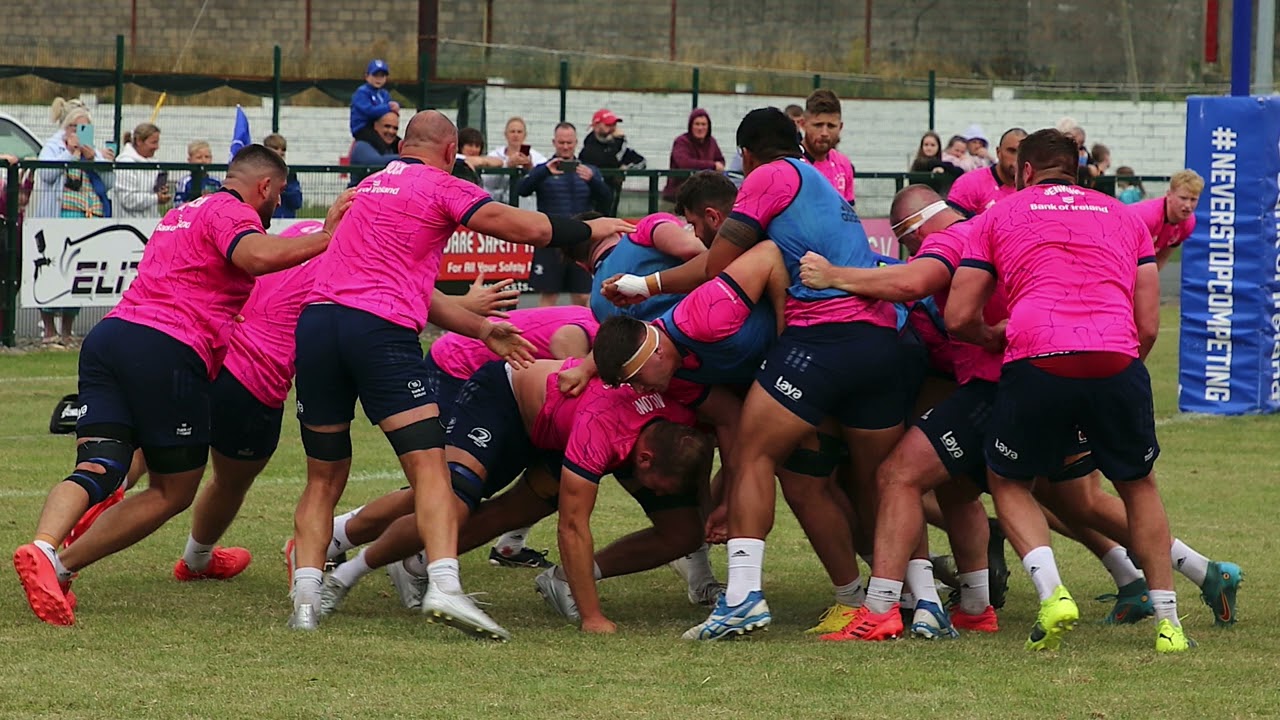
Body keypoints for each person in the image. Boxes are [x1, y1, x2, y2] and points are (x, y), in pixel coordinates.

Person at [288, 110, 633, 638]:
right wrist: (592, 226)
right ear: (451, 153)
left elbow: (408, 287)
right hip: (378, 332)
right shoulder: (440, 184)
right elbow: (529, 227)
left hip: (316, 326)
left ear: (403, 144)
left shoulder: (368, 185)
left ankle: (306, 601)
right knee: (431, 468)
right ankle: (444, 584)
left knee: (322, 477)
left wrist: (479, 327)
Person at [12, 145, 351, 627]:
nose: (277, 208)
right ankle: (64, 566)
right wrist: (325, 236)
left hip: (110, 336)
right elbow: (253, 257)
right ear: (265, 187)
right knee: (174, 489)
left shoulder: (181, 212)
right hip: (167, 347)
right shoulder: (229, 210)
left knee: (104, 463)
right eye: (278, 196)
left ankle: (43, 549)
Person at [606, 108, 905, 641]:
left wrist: (641, 285)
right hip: (880, 339)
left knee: (754, 452)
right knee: (869, 481)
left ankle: (744, 597)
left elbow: (721, 265)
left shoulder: (768, 180)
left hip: (828, 339)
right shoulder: (821, 182)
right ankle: (910, 600)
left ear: (745, 154)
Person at [945, 128, 1191, 653]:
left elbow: (959, 315)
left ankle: (1053, 592)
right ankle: (1169, 622)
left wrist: (992, 338)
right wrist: (1115, 366)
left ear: (1024, 171)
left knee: (1009, 480)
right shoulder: (1125, 217)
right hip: (1116, 358)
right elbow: (1147, 324)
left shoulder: (998, 214)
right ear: (1077, 169)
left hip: (1037, 358)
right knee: (1138, 485)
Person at [35, 99, 115, 349]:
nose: (81, 134)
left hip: (88, 217)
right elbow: (46, 174)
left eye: (85, 128)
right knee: (52, 271)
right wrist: (69, 152)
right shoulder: (53, 147)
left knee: (78, 273)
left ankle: (68, 330)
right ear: (67, 129)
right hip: (59, 218)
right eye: (77, 128)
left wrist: (94, 159)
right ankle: (49, 331)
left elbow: (109, 182)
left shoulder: (94, 151)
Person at [516, 122, 610, 308]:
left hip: (581, 240)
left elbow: (607, 199)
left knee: (583, 296)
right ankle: (544, 335)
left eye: (569, 142)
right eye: (561, 143)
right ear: (554, 142)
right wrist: (543, 172)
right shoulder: (543, 169)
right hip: (551, 239)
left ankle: (583, 333)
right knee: (549, 297)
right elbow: (522, 189)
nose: (565, 147)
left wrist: (593, 181)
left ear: (576, 142)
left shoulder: (589, 171)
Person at [1131, 169, 1203, 269]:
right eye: (1183, 198)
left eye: (1193, 199)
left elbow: (1160, 260)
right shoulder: (1148, 217)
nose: (1188, 205)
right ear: (1169, 195)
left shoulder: (1188, 223)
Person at [579, 109, 647, 215]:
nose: (612, 128)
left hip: (612, 200)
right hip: (592, 202)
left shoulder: (616, 145)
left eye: (614, 124)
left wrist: (625, 169)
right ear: (596, 126)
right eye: (608, 124)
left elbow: (641, 162)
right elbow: (608, 160)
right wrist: (620, 140)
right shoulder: (589, 146)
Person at [946, 128, 1026, 216]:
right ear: (998, 152)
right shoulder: (969, 183)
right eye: (1011, 151)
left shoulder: (1033, 189)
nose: (1017, 158)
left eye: (1023, 153)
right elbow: (950, 226)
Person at [661, 109, 725, 208]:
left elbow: (721, 161)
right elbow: (685, 163)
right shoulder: (681, 141)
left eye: (703, 124)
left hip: (702, 201)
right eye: (697, 124)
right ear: (691, 126)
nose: (700, 128)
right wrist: (712, 165)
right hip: (676, 200)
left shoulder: (712, 142)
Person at [801, 89, 855, 204]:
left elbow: (850, 215)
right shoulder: (790, 164)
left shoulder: (844, 164)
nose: (824, 133)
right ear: (803, 124)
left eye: (831, 126)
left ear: (840, 127)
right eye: (818, 125)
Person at [483, 116, 546, 206]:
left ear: (525, 135)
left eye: (519, 132)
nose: (516, 135)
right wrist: (506, 165)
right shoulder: (494, 156)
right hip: (498, 205)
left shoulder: (538, 158)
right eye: (512, 131)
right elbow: (487, 184)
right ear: (505, 134)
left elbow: (543, 185)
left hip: (526, 208)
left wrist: (530, 169)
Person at [115, 123, 170, 218]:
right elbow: (127, 199)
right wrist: (156, 198)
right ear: (139, 141)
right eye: (153, 142)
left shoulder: (152, 162)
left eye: (157, 142)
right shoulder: (125, 162)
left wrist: (160, 191)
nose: (157, 147)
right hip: (129, 223)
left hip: (149, 222)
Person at [350, 59, 400, 146]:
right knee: (381, 145)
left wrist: (395, 107)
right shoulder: (362, 92)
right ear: (367, 76)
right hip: (362, 128)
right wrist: (389, 107)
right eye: (375, 75)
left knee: (399, 143)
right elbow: (369, 111)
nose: (379, 79)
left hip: (380, 128)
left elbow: (390, 110)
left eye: (382, 76)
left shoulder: (384, 94)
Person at [348, 110, 402, 186]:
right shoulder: (362, 144)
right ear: (376, 125)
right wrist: (405, 156)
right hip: (358, 194)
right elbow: (375, 162)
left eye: (395, 128)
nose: (391, 131)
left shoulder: (393, 147)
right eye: (387, 126)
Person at [263, 134, 303, 218]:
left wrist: (283, 184)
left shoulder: (290, 176)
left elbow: (297, 203)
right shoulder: (258, 174)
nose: (280, 152)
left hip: (285, 221)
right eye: (275, 148)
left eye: (283, 150)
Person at [174, 140, 222, 205]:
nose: (204, 160)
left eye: (207, 157)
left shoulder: (217, 181)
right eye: (199, 157)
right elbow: (178, 204)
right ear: (190, 160)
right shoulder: (184, 182)